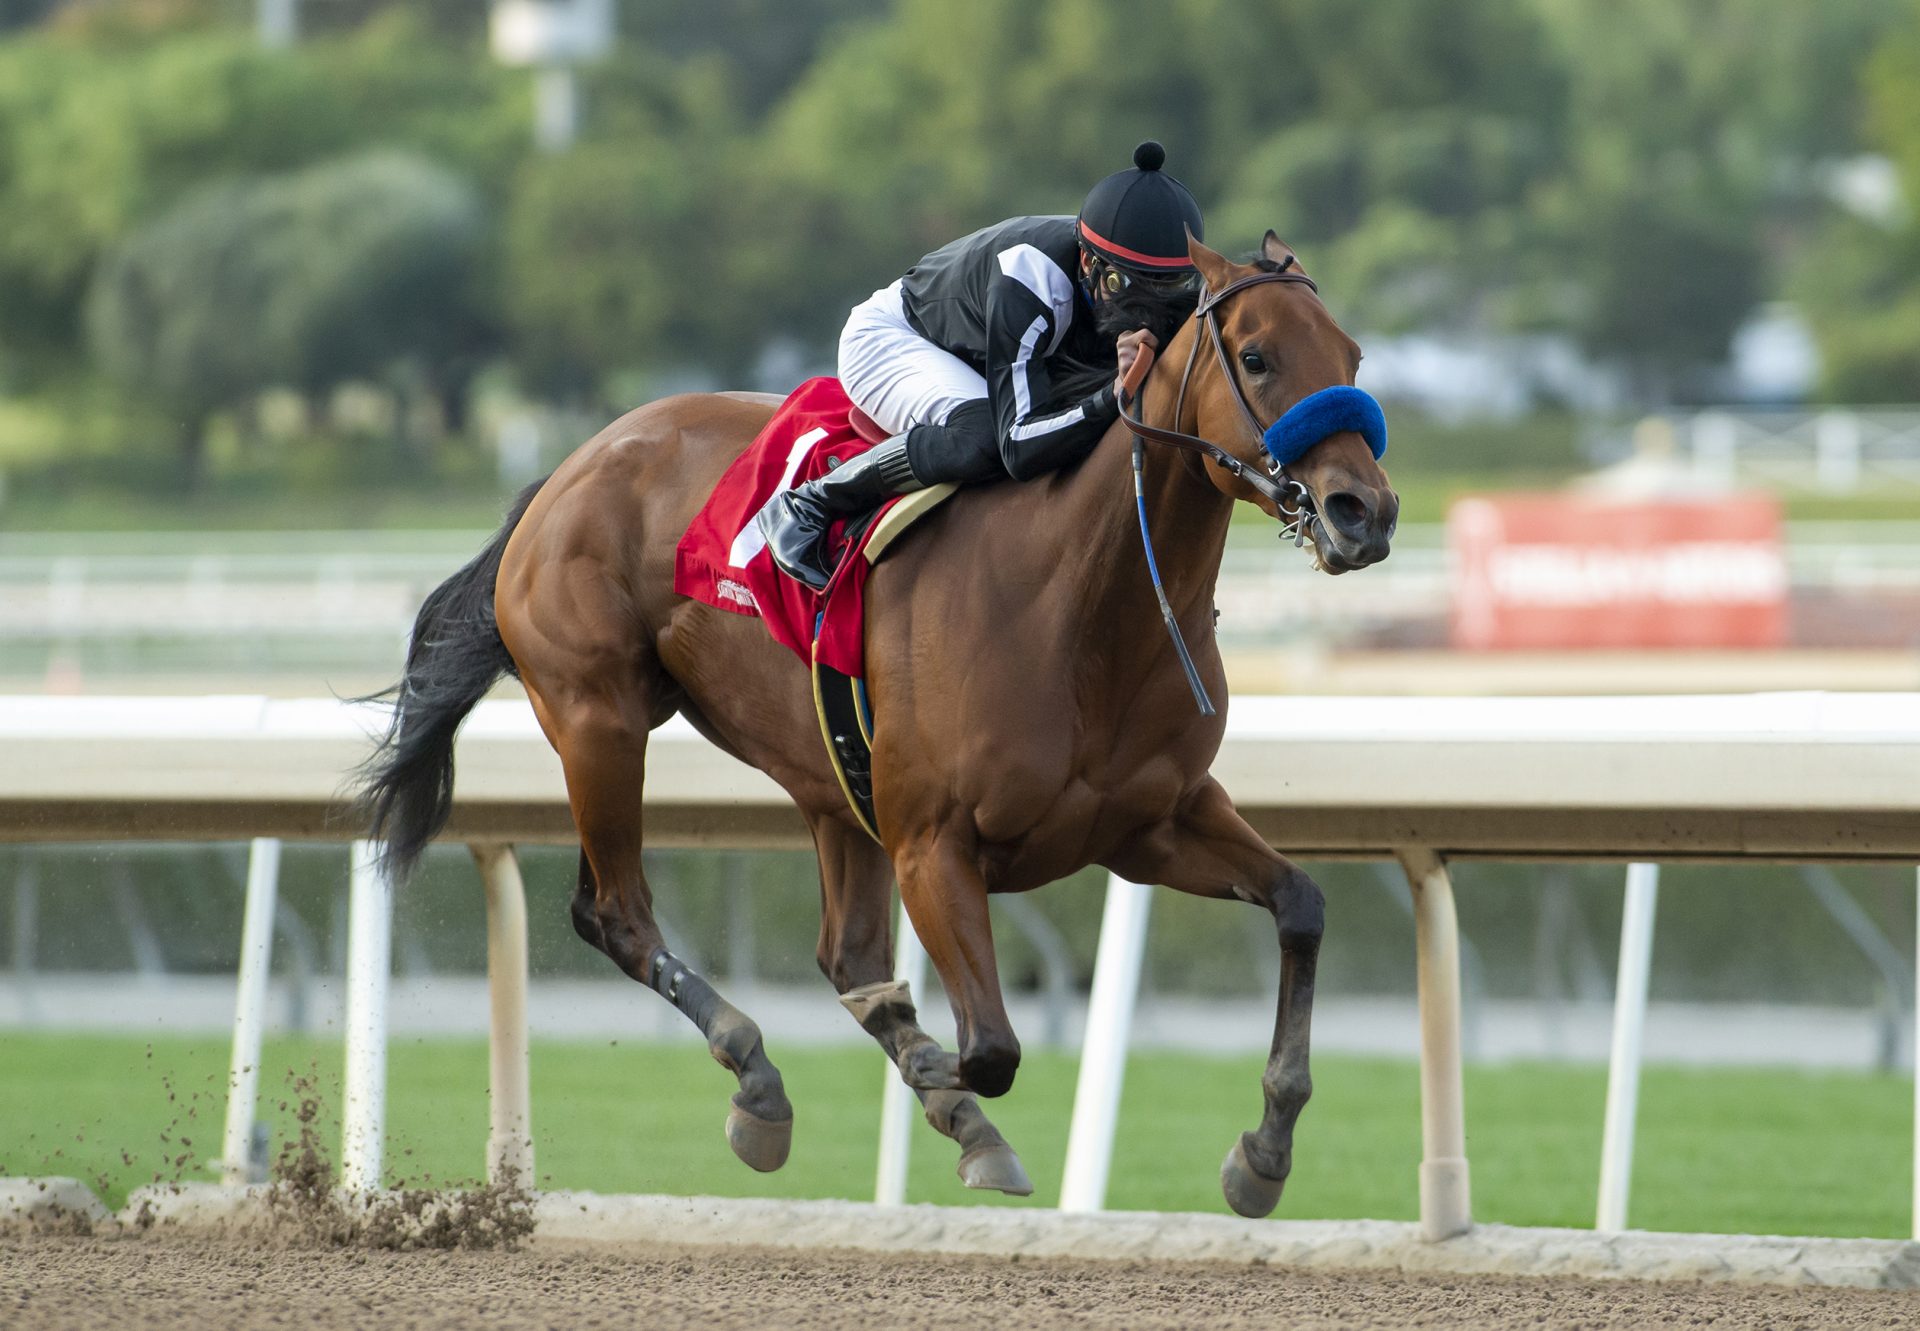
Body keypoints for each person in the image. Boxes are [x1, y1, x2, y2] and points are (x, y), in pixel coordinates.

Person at [756, 140, 1207, 590]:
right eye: (1124, 283)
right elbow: (1019, 446)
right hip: (894, 338)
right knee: (981, 439)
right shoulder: (1032, 282)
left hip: (979, 352)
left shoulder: (1127, 278)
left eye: (1168, 286)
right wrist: (1112, 395)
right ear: (1088, 261)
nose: (1148, 308)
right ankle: (811, 502)